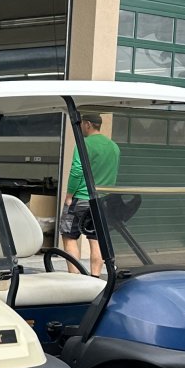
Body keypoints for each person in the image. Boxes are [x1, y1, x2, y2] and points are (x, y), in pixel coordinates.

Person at [61, 113, 119, 277]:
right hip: (101, 201)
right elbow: (113, 174)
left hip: (81, 199)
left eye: (81, 125)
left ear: (87, 124)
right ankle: (95, 277)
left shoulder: (83, 143)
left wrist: (69, 195)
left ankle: (75, 278)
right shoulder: (114, 146)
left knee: (69, 236)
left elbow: (77, 171)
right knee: (96, 240)